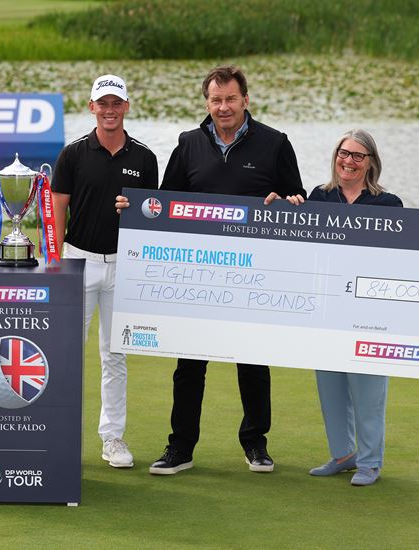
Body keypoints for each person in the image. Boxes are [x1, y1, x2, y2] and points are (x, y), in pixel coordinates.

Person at [117, 65, 305, 475]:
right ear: (207, 102)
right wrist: (135, 210)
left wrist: (288, 200)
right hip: (197, 277)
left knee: (253, 363)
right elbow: (164, 205)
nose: (224, 107)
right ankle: (180, 448)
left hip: (254, 274)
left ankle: (256, 444)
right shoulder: (189, 143)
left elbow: (297, 198)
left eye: (231, 99)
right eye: (216, 100)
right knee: (189, 366)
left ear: (245, 100)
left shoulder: (275, 143)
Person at [283, 129, 419, 486]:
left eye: (357, 156)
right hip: (328, 309)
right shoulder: (320, 196)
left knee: (367, 390)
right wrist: (287, 209)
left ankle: (370, 462)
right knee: (330, 388)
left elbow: (408, 250)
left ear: (371, 163)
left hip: (370, 312)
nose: (348, 161)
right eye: (343, 153)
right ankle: (342, 455)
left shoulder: (387, 203)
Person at [52, 74, 159, 468]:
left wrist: (137, 212)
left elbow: (153, 214)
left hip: (123, 265)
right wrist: (56, 260)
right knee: (67, 353)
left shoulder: (144, 158)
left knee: (115, 356)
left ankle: (112, 438)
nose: (110, 110)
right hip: (78, 261)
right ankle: (61, 434)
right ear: (91, 107)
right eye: (103, 104)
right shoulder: (73, 154)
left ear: (126, 106)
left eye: (116, 103)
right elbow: (56, 208)